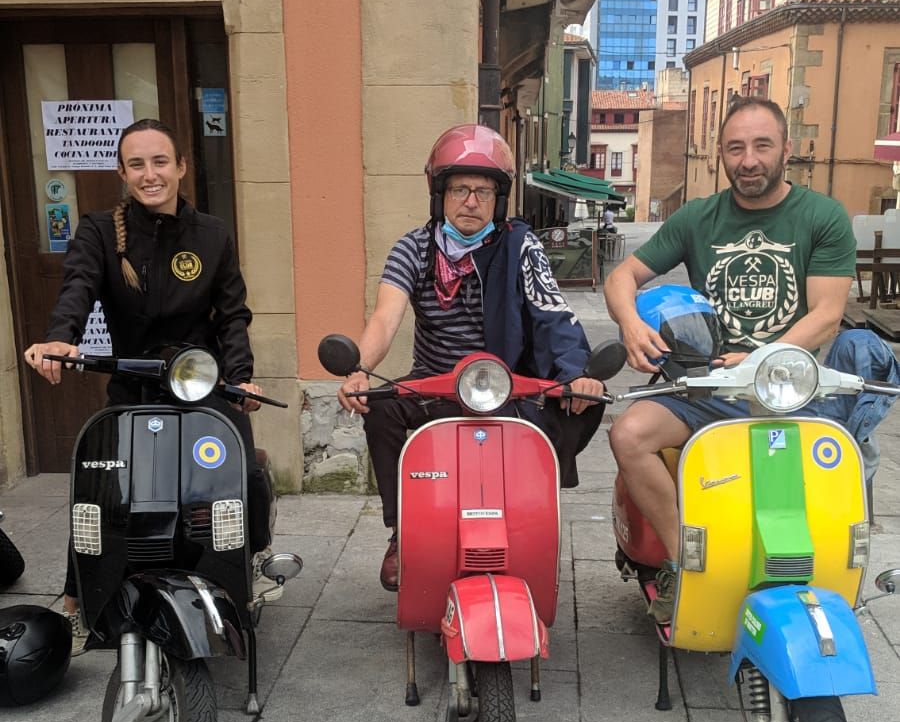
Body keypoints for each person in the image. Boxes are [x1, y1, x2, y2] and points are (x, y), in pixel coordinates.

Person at [604, 94, 897, 623]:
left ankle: (829, 565)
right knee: (628, 436)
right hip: (707, 387)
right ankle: (683, 560)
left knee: (836, 462)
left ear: (788, 149)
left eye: (763, 145)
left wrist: (762, 358)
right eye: (735, 148)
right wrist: (631, 324)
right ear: (720, 154)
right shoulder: (697, 217)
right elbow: (622, 276)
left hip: (791, 385)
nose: (749, 160)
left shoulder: (821, 216)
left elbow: (827, 314)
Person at [24, 117, 276, 652]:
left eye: (160, 161)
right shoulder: (97, 231)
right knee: (101, 487)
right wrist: (59, 340)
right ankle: (77, 601)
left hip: (200, 382)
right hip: (132, 384)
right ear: (122, 172)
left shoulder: (211, 234)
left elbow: (232, 314)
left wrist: (242, 377)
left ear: (181, 167)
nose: (150, 174)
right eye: (136, 164)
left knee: (241, 469)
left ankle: (248, 563)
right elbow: (78, 288)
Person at [338, 123, 608, 589]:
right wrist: (360, 369)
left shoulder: (522, 246)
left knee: (578, 406)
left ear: (498, 200)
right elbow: (385, 318)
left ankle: (531, 523)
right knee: (379, 412)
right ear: (438, 193)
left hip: (507, 385)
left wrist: (577, 373)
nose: (470, 201)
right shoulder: (413, 248)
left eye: (483, 191)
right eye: (459, 188)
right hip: (434, 382)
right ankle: (402, 529)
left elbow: (553, 313)